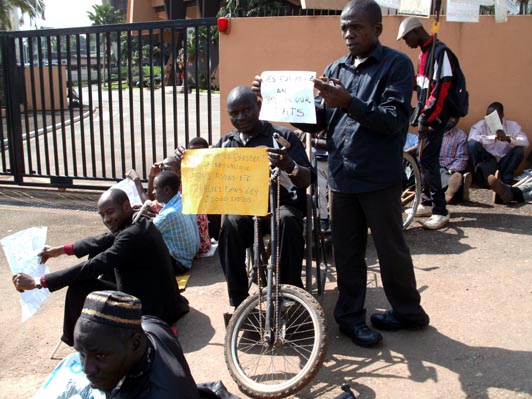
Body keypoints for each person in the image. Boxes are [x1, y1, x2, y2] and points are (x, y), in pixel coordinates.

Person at [253, 0, 429, 347]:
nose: (348, 34)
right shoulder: (337, 67)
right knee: (347, 253)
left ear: (377, 29)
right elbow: (318, 119)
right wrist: (272, 101)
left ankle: (409, 312)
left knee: (391, 252)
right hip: (342, 178)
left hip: (379, 179)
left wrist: (349, 101)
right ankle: (350, 319)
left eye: (356, 27)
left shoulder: (397, 66)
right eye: (344, 28)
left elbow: (394, 120)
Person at [12, 188, 188, 346]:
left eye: (110, 212)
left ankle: (77, 344)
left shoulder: (131, 236)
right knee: (96, 251)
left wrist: (38, 282)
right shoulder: (139, 221)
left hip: (150, 310)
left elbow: (92, 266)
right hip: (163, 300)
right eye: (102, 214)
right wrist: (60, 250)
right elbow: (104, 239)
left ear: (126, 206)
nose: (106, 219)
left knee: (78, 286)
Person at [213, 85, 313, 310]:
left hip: (282, 203)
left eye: (246, 110)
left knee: (286, 220)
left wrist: (288, 164)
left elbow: (306, 180)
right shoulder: (227, 144)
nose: (241, 117)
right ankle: (239, 301)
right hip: (247, 210)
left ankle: (288, 295)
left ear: (258, 105)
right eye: (234, 113)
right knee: (229, 225)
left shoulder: (283, 136)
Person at [73, 290, 200, 398]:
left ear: (135, 344)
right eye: (82, 353)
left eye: (100, 356)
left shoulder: (160, 393)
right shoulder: (152, 325)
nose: (86, 369)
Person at [397, 16, 460, 230]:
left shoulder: (439, 52)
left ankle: (441, 211)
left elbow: (441, 89)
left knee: (428, 160)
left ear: (416, 32)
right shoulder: (424, 53)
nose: (406, 42)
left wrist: (426, 117)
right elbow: (424, 85)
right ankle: (426, 201)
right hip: (428, 113)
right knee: (424, 158)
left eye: (407, 38)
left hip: (438, 116)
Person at [127, 156, 212, 257]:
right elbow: (154, 197)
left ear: (179, 172)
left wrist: (137, 181)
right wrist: (152, 176)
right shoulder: (182, 189)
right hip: (198, 245)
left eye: (167, 169)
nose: (163, 172)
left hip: (196, 249)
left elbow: (149, 203)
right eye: (162, 169)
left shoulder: (176, 194)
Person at [468, 102, 529, 187]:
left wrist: (508, 139)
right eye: (488, 116)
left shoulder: (512, 125)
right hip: (488, 160)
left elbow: (525, 141)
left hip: (504, 161)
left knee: (519, 150)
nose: (491, 119)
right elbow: (471, 138)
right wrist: (493, 138)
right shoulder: (481, 125)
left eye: (495, 116)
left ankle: (506, 180)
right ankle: (479, 179)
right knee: (472, 145)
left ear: (502, 115)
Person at [153, 171, 200, 275]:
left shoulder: (168, 214)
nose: (153, 192)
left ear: (166, 190)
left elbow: (147, 232)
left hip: (179, 264)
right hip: (190, 257)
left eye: (155, 188)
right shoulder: (182, 199)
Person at [439, 117, 472, 203]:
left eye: (456, 118)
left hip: (452, 169)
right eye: (451, 117)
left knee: (452, 176)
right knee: (438, 172)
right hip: (437, 166)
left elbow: (462, 158)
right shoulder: (433, 132)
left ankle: (455, 187)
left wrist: (454, 169)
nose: (453, 120)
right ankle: (461, 188)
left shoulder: (461, 136)